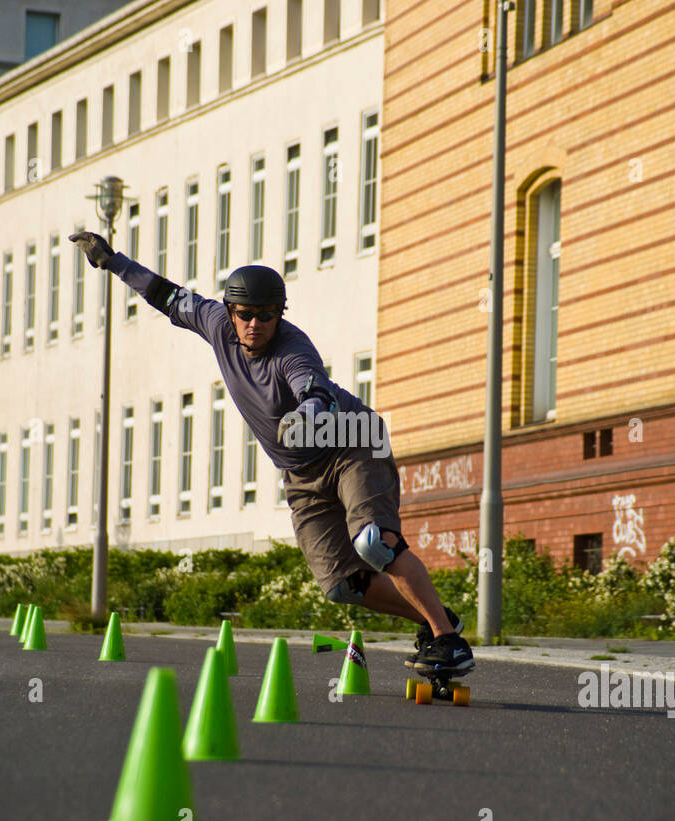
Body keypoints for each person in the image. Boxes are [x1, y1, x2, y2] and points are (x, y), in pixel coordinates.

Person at [69, 230, 473, 673]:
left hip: (353, 445)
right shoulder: (214, 322)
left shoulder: (292, 348)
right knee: (343, 583)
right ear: (230, 311)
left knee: (374, 543)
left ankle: (449, 643)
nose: (255, 325)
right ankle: (438, 622)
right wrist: (112, 261)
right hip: (301, 474)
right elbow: (164, 295)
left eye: (267, 316)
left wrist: (309, 411)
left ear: (280, 314)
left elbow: (313, 385)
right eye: (246, 315)